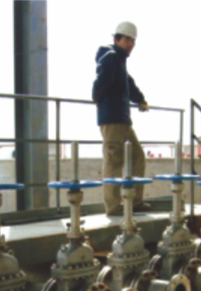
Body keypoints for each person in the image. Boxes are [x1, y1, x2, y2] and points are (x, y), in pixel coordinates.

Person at [92, 21, 150, 216]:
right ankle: (113, 206)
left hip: (123, 119)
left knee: (137, 157)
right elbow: (99, 84)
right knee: (114, 160)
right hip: (112, 119)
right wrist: (99, 101)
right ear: (116, 39)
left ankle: (135, 201)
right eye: (127, 40)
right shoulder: (110, 57)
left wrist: (140, 99)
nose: (131, 44)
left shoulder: (119, 60)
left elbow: (128, 84)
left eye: (133, 41)